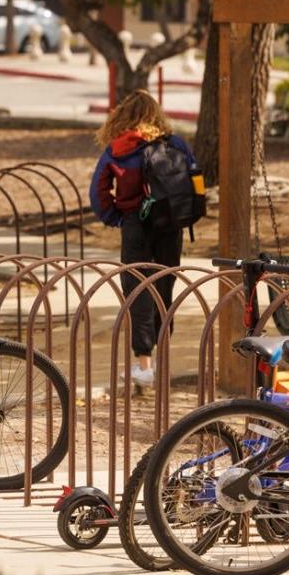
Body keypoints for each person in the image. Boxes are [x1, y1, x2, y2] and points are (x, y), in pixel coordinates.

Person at [89, 90, 197, 389]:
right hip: (171, 225)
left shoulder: (120, 148)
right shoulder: (175, 144)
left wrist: (116, 217)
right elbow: (195, 180)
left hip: (136, 223)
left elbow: (98, 191)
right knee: (165, 286)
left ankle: (143, 365)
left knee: (137, 289)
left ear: (123, 116)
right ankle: (162, 363)